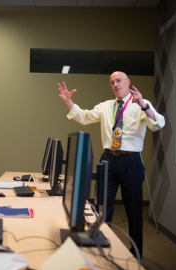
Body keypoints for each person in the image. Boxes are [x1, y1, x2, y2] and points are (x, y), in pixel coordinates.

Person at [57, 71, 165, 258]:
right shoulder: (106, 106)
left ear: (128, 82)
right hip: (108, 159)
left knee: (133, 210)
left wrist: (144, 105)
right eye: (112, 82)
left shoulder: (140, 103)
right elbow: (84, 117)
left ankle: (136, 252)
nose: (115, 84)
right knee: (101, 209)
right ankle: (99, 245)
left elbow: (157, 124)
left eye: (119, 81)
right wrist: (68, 101)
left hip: (131, 160)